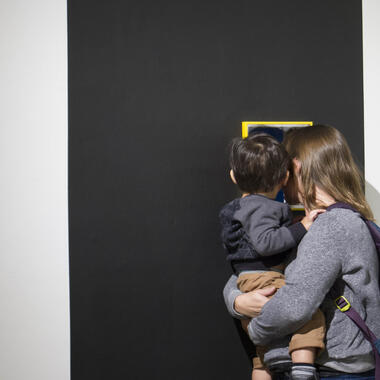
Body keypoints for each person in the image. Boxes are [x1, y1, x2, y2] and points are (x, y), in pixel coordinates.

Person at [223, 125, 380, 379]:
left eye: (283, 171)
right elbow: (253, 267)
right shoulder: (313, 224)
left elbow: (294, 306)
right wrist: (236, 301)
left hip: (336, 371)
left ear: (297, 167)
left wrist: (255, 330)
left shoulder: (332, 226)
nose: (280, 180)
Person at [220, 134, 325, 380]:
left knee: (260, 359)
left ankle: (271, 358)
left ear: (233, 176)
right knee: (311, 316)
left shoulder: (236, 209)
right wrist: (303, 227)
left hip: (245, 280)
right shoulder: (263, 207)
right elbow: (266, 242)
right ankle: (303, 369)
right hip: (265, 279)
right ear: (284, 177)